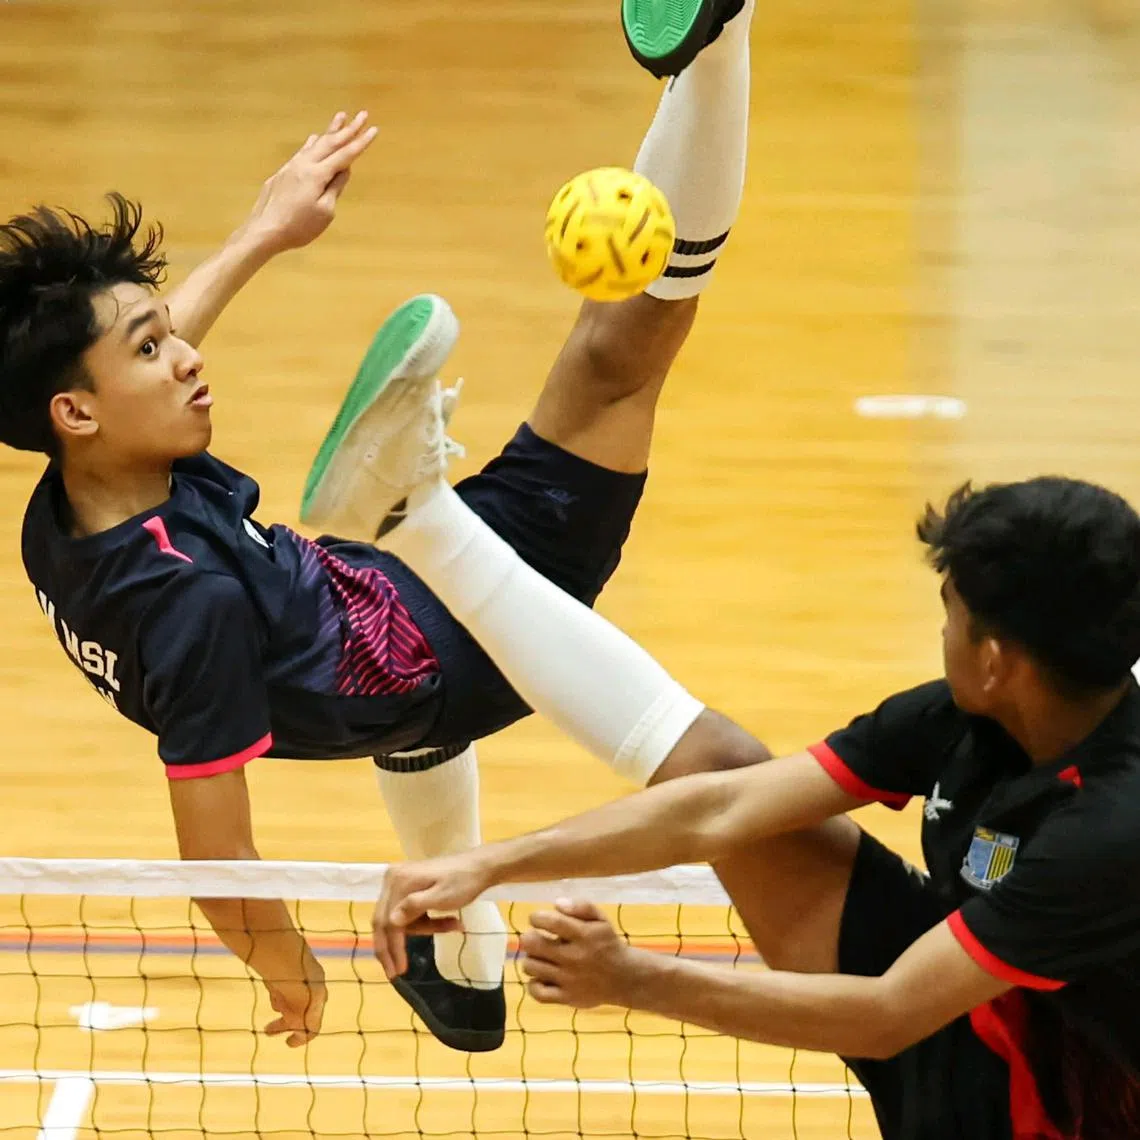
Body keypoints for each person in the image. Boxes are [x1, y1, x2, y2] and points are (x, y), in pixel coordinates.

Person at [2, 0, 761, 1053]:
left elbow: (149, 354)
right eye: (150, 349)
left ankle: (461, 965)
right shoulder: (194, 607)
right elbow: (218, 868)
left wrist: (266, 230)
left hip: (357, 615)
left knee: (604, 361)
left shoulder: (71, 502)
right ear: (77, 411)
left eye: (163, 334)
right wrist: (290, 974)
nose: (184, 355)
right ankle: (727, 36)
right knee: (622, 344)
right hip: (448, 654)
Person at [358, 408, 1140, 1137]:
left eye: (951, 614)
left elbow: (886, 1014)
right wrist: (486, 865)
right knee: (720, 769)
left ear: (999, 661)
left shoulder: (1107, 831)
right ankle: (423, 520)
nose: (943, 632)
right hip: (984, 1008)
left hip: (1057, 1106)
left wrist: (632, 979)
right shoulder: (973, 715)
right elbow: (721, 808)